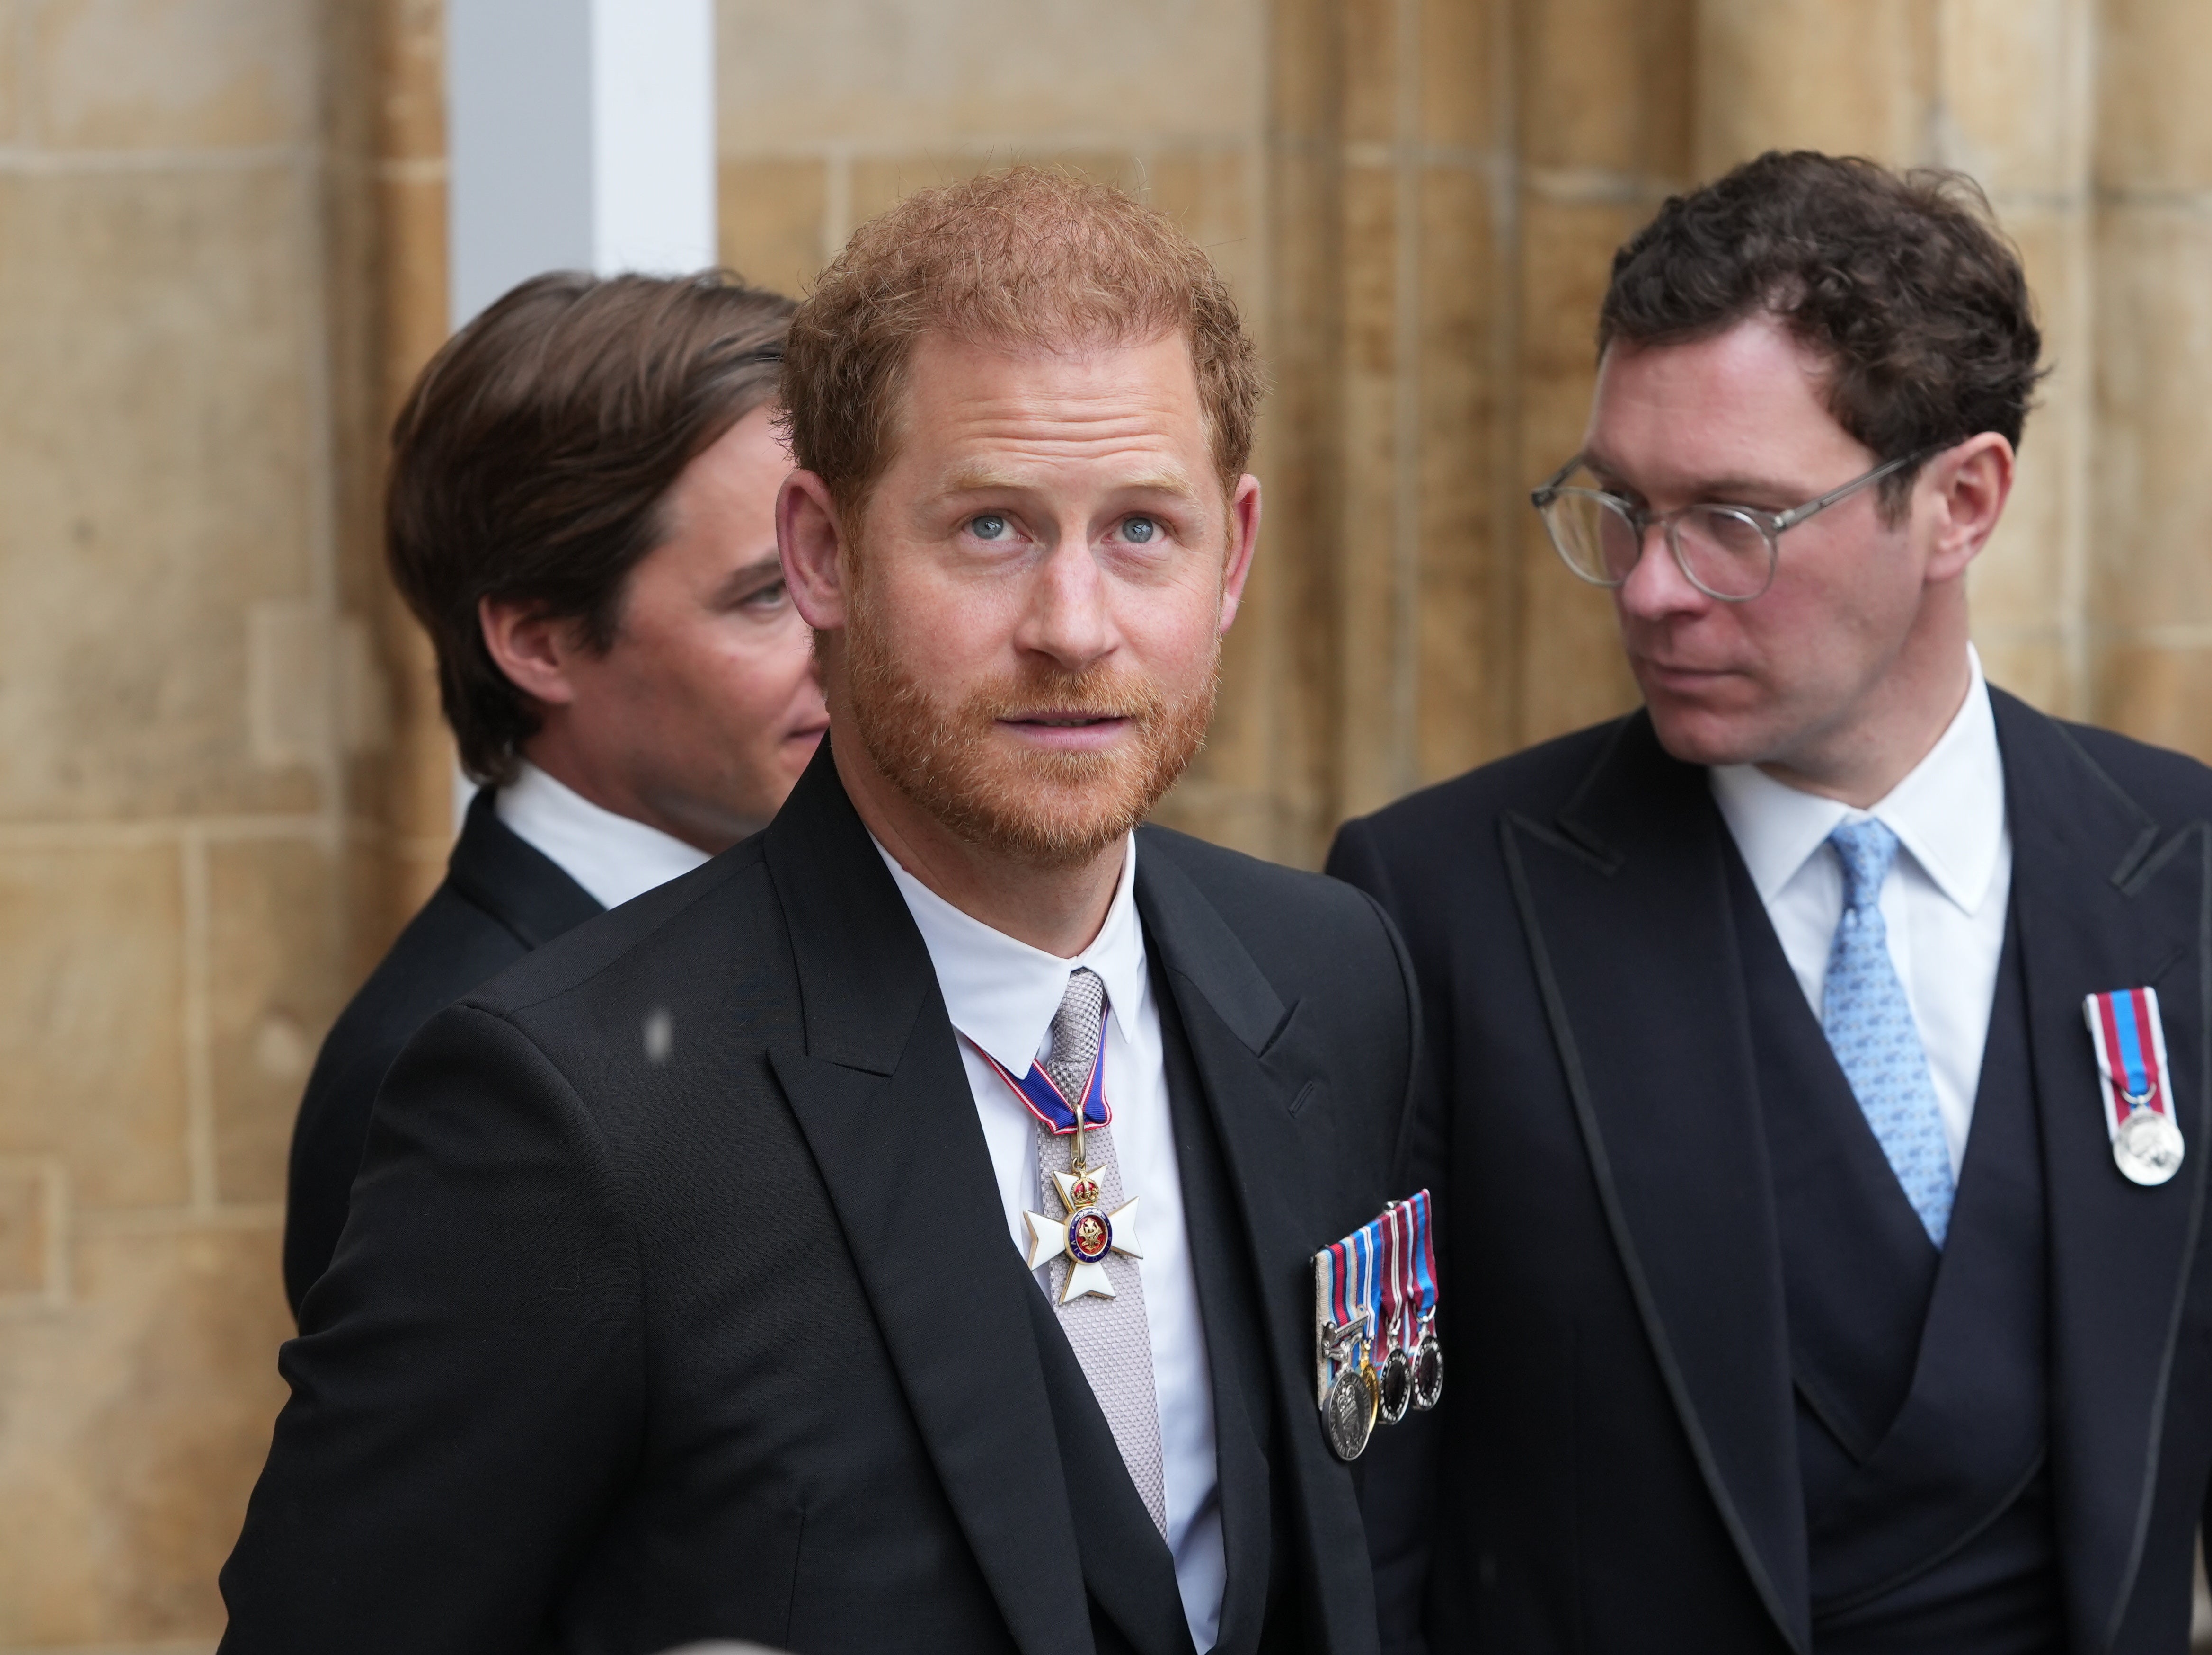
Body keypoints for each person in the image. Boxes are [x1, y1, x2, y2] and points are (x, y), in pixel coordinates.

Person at [222, 168, 1421, 1655]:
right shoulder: (567, 1109)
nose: (1072, 625)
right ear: (822, 553)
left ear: (1234, 553)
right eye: (989, 529)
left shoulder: (1335, 972)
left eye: (1140, 530)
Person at [1332, 151, 2212, 1654]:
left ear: (1960, 501)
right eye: (1622, 507)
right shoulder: (1428, 909)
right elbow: (1366, 1521)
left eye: (1737, 521)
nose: (1650, 589)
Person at [279, 272, 827, 1314]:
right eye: (767, 594)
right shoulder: (446, 1081)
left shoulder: (863, 924)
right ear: (538, 642)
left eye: (841, 567)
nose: (844, 644)